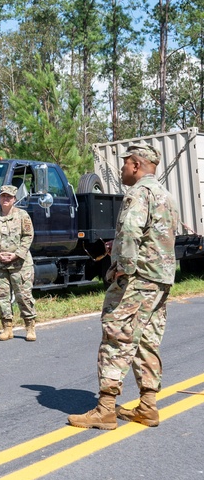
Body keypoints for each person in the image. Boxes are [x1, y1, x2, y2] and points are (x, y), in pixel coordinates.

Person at [68, 144, 178, 431]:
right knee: (146, 340)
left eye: (125, 164)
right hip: (160, 279)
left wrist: (122, 268)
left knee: (116, 336)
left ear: (136, 165)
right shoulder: (166, 195)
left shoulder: (138, 193)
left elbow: (130, 231)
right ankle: (148, 407)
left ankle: (105, 409)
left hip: (137, 280)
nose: (122, 169)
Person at [0, 185, 37, 341]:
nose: (5, 199)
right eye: (3, 196)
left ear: (14, 199)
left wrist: (16, 254)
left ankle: (30, 327)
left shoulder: (22, 215)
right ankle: (7, 328)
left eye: (9, 197)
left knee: (24, 296)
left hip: (20, 264)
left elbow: (28, 236)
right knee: (2, 297)